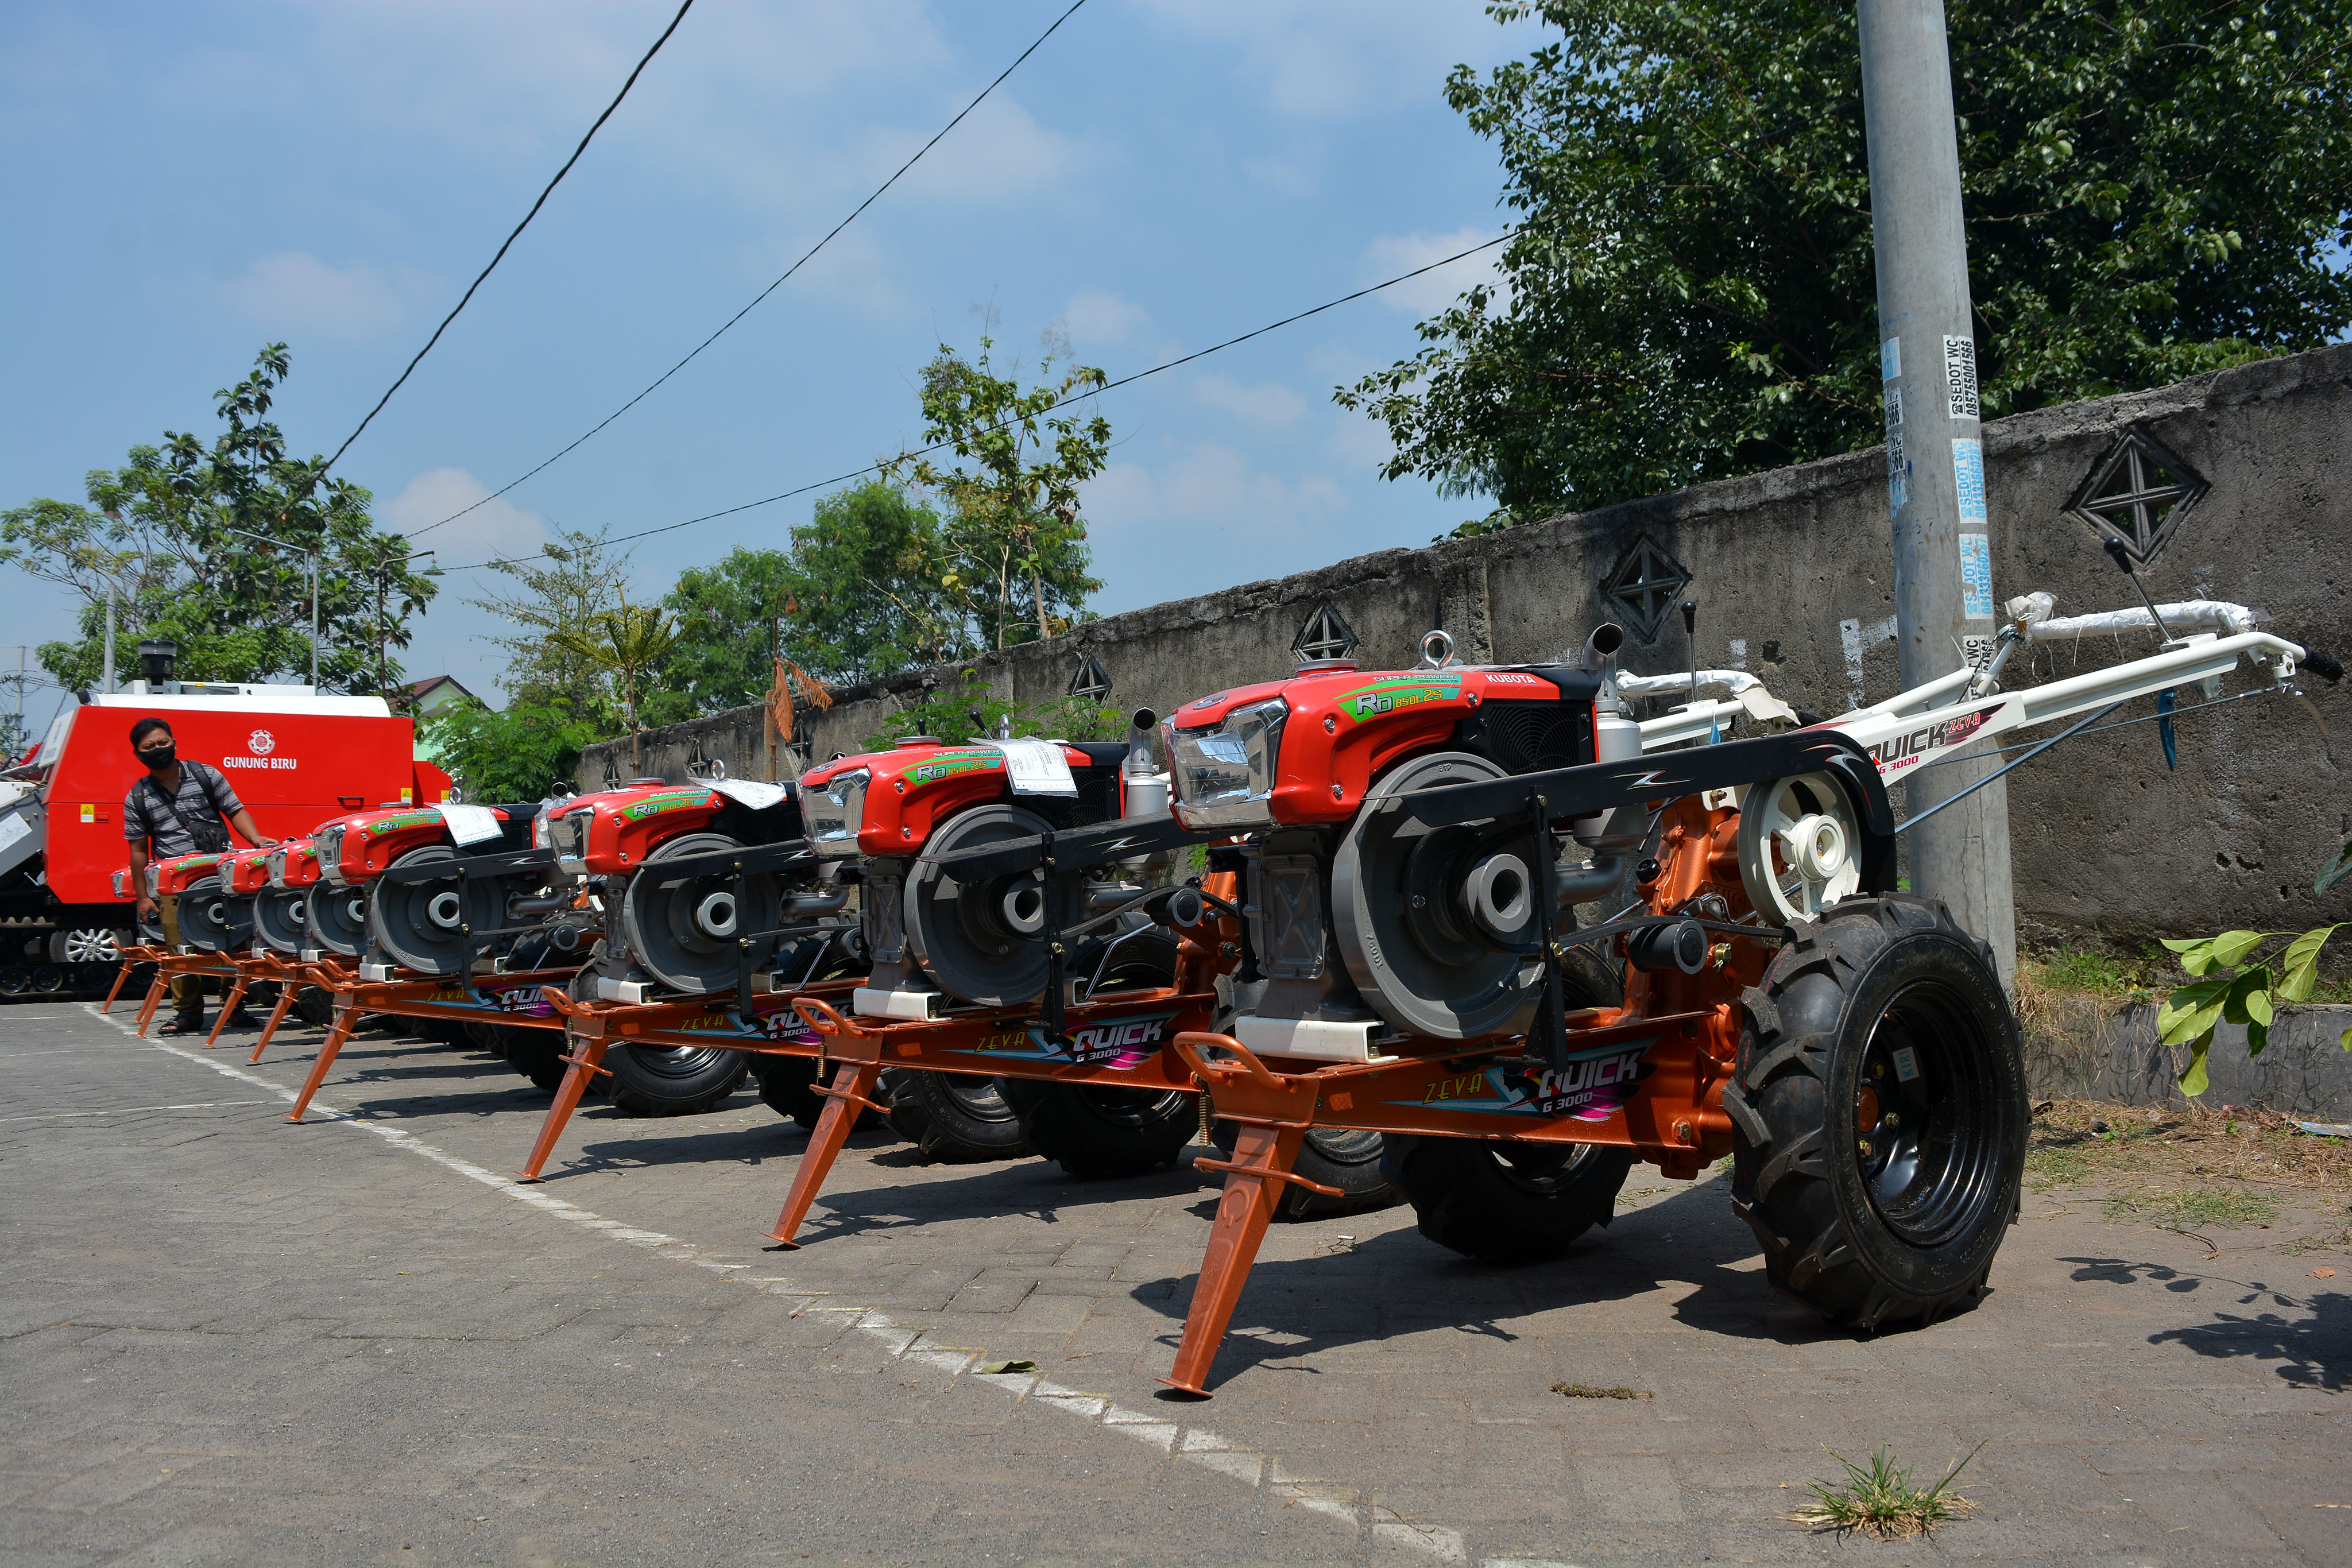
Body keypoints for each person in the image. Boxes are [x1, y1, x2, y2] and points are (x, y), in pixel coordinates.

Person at [124, 717, 276, 1035]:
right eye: (149, 747)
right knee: (179, 949)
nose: (158, 750)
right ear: (139, 755)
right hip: (173, 884)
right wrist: (143, 896)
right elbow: (138, 849)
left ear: (174, 742)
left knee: (232, 942)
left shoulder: (206, 775)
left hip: (219, 877)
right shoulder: (138, 796)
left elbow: (235, 810)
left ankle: (234, 1006)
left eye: (163, 743)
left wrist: (256, 839)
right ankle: (187, 1014)